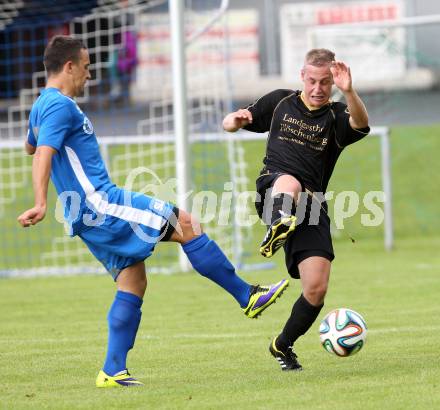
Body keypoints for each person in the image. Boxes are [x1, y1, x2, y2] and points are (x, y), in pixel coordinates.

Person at [17, 35, 289, 387]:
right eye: (85, 68)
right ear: (68, 67)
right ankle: (246, 296)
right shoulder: (59, 106)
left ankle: (112, 370)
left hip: (83, 214)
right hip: (100, 202)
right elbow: (42, 153)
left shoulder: (42, 105)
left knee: (133, 280)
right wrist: (40, 201)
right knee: (186, 222)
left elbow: (30, 145)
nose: (88, 76)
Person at [222, 48, 369, 371]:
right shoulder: (279, 102)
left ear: (333, 82)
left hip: (312, 207)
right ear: (302, 76)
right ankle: (277, 224)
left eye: (326, 83)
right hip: (274, 188)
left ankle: (283, 345)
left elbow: (361, 123)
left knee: (316, 289)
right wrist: (234, 120)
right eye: (313, 81)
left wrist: (349, 91)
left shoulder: (337, 115)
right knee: (290, 183)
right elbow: (232, 123)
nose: (318, 89)